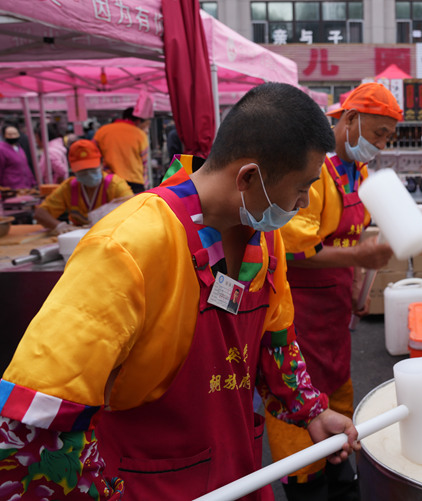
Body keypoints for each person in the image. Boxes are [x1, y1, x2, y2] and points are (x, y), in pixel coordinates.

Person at [0, 83, 359, 500]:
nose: (302, 203)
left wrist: (311, 410)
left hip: (238, 472)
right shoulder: (128, 244)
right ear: (248, 177)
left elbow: (275, 345)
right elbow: (38, 419)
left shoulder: (266, 238)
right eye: (301, 188)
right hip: (145, 483)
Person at [265, 82, 397, 500]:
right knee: (297, 407)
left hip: (334, 308)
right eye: (377, 134)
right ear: (350, 119)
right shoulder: (312, 169)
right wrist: (359, 257)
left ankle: (338, 468)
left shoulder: (356, 171)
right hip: (298, 312)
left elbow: (349, 238)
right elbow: (296, 249)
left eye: (387, 138)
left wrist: (358, 283)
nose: (379, 145)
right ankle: (305, 481)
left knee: (337, 400)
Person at [34, 140, 133, 234]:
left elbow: (133, 210)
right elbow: (41, 213)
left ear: (101, 164)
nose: (89, 174)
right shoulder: (69, 188)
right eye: (83, 171)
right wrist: (60, 226)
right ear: (73, 170)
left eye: (92, 169)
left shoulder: (114, 185)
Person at [94, 107, 150, 193]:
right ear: (138, 121)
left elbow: (94, 156)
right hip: (134, 183)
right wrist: (146, 185)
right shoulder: (140, 135)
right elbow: (144, 163)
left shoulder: (102, 131)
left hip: (109, 181)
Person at [0, 124, 36, 190]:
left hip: (26, 187)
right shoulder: (1, 149)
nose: (13, 136)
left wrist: (33, 182)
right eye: (10, 134)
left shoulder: (19, 148)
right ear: (4, 135)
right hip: (11, 188)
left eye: (15, 134)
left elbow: (26, 167)